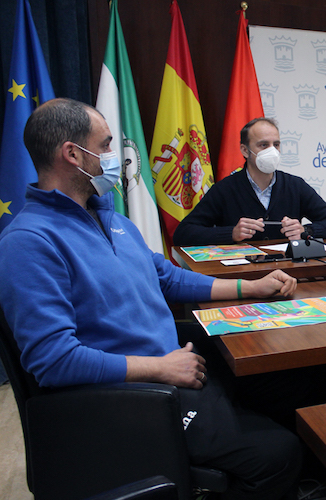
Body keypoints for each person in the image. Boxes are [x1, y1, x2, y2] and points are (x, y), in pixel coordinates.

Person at [0, 98, 301, 499]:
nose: (114, 157)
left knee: (295, 389)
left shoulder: (111, 219)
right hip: (134, 399)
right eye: (105, 146)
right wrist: (159, 369)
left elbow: (168, 279)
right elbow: (53, 361)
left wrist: (254, 288)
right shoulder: (29, 242)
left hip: (175, 370)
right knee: (279, 453)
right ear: (72, 154)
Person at [173, 117, 326, 245]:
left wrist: (305, 231)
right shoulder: (225, 189)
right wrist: (231, 233)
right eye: (263, 145)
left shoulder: (295, 185)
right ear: (245, 150)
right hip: (244, 275)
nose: (272, 151)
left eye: (276, 144)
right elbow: (184, 233)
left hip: (290, 271)